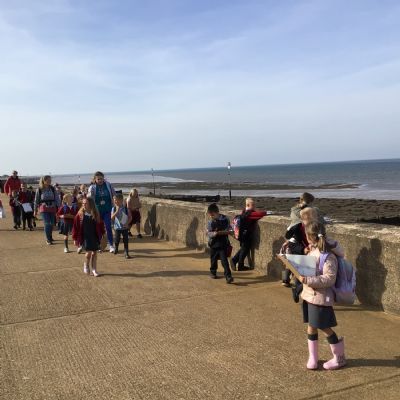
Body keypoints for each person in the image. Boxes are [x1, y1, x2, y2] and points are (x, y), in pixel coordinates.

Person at [297, 221, 347, 371]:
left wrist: (308, 280)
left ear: (309, 236)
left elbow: (329, 278)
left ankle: (339, 358)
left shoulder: (328, 256)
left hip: (320, 297)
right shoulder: (314, 250)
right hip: (309, 295)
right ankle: (313, 357)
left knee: (324, 327)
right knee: (311, 326)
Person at [231, 198, 267, 271]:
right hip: (246, 234)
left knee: (243, 248)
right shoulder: (249, 213)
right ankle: (240, 265)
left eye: (254, 204)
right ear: (247, 205)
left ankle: (234, 260)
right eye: (252, 205)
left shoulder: (244, 211)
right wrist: (266, 212)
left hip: (241, 233)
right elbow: (260, 214)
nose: (254, 206)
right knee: (245, 249)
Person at [72, 197, 105, 277]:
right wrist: (75, 238)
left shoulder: (96, 214)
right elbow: (75, 227)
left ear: (91, 204)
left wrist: (103, 234)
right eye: (83, 203)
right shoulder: (79, 215)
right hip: (85, 237)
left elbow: (100, 225)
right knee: (88, 253)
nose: (84, 205)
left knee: (94, 253)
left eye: (85, 203)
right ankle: (86, 265)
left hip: (94, 236)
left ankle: (94, 269)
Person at [88, 171, 116, 252]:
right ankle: (100, 245)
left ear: (104, 178)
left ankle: (111, 245)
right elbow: (89, 199)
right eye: (98, 179)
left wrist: (117, 204)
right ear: (95, 179)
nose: (100, 180)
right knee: (99, 228)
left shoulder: (108, 185)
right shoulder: (92, 187)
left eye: (101, 179)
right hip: (97, 211)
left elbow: (114, 194)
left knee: (108, 226)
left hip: (108, 210)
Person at [207, 203, 234, 284]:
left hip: (223, 243)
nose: (211, 217)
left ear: (217, 212)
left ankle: (228, 276)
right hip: (214, 243)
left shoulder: (225, 219)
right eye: (210, 215)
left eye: (213, 215)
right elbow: (208, 233)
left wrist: (227, 232)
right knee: (213, 259)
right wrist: (214, 234)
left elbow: (229, 229)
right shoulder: (210, 222)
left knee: (224, 260)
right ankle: (213, 272)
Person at [34, 175, 61, 245]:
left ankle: (50, 236)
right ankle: (48, 239)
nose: (50, 181)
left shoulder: (52, 188)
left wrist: (60, 207)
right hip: (43, 208)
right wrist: (35, 210)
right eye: (48, 180)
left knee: (51, 223)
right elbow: (36, 201)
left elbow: (57, 198)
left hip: (52, 208)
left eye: (50, 180)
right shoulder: (39, 189)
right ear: (44, 181)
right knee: (47, 223)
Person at [111, 193, 132, 259]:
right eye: (114, 200)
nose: (115, 202)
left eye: (116, 200)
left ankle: (126, 252)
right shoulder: (114, 208)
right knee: (117, 239)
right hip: (117, 228)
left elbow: (130, 217)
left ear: (121, 200)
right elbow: (112, 217)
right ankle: (116, 248)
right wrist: (116, 211)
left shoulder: (126, 209)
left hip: (125, 228)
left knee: (126, 240)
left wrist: (127, 223)